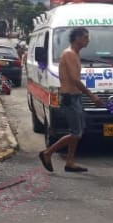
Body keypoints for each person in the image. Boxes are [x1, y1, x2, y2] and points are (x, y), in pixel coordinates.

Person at [38, 27, 102, 173]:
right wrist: (91, 96)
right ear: (77, 38)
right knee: (75, 133)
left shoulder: (74, 54)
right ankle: (47, 153)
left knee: (77, 132)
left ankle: (70, 162)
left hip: (75, 97)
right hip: (70, 98)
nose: (88, 40)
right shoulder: (69, 54)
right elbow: (75, 80)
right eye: (85, 38)